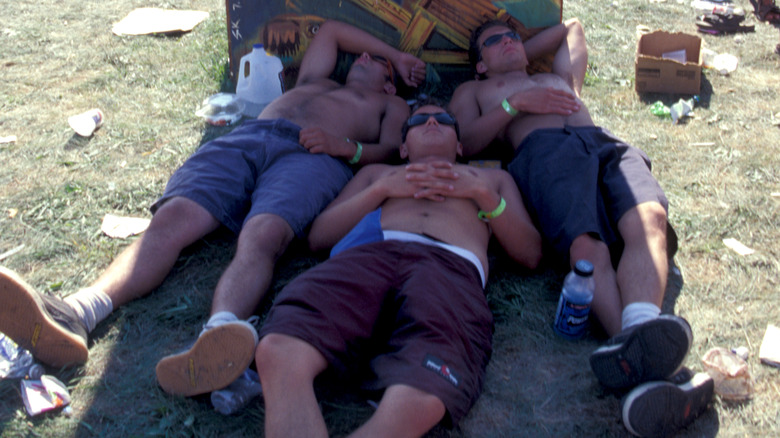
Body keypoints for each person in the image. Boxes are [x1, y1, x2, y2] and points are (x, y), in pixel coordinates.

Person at [0, 20, 426, 397]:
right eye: (365, 54)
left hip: (315, 159)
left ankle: (220, 336)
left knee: (262, 236)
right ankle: (78, 311)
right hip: (249, 138)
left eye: (378, 63)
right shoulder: (317, 78)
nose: (365, 56)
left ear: (390, 86)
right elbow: (332, 31)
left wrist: (345, 148)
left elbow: (391, 149)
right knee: (171, 220)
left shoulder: (391, 105)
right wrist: (396, 55)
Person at [449, 19, 712, 436]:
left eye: (514, 37)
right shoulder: (475, 91)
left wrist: (520, 54)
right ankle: (643, 361)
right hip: (545, 154)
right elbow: (465, 141)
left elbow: (571, 28)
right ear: (479, 65)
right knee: (588, 250)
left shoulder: (557, 77)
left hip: (603, 144)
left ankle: (639, 339)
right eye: (494, 42)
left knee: (651, 220)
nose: (509, 43)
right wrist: (516, 104)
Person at [253, 101, 542, 437]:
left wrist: (482, 194)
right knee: (279, 348)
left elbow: (530, 254)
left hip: (449, 267)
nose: (432, 121)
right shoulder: (377, 174)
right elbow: (320, 237)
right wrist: (382, 190)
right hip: (369, 257)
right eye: (419, 120)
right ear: (403, 147)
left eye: (444, 120)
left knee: (425, 392)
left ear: (460, 146)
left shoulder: (492, 179)